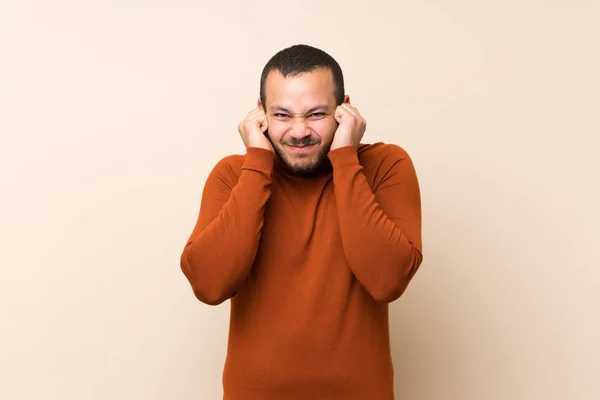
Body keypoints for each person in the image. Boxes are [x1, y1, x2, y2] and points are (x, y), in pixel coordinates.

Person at [180, 44, 423, 400]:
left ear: (345, 110)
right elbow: (209, 285)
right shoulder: (235, 174)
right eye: (282, 115)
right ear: (259, 113)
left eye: (316, 114)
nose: (298, 131)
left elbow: (387, 280)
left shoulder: (385, 165)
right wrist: (257, 162)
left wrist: (344, 156)